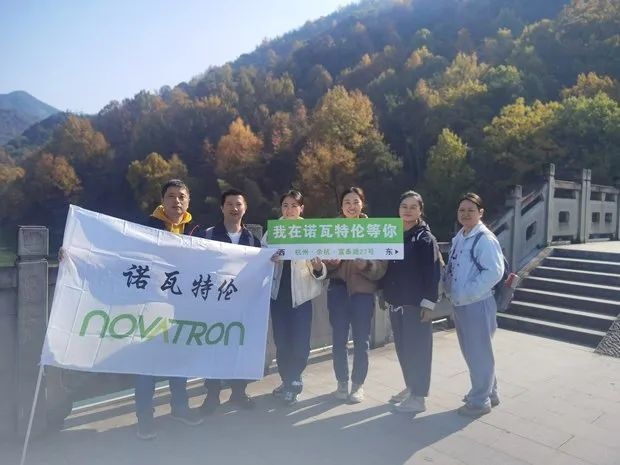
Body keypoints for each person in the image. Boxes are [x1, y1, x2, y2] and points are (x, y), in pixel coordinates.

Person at [135, 179, 204, 439]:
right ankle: (144, 417)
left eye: (181, 196)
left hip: (183, 306)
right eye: (171, 196)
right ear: (162, 201)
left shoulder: (196, 230)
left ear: (188, 201)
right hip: (151, 305)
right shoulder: (146, 228)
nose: (177, 201)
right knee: (147, 362)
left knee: (179, 359)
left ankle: (180, 408)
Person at [201, 188, 261, 414]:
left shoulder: (252, 240)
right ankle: (212, 394)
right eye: (229, 204)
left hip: (242, 305)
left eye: (238, 204)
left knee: (240, 347)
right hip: (215, 304)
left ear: (245, 208)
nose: (234, 208)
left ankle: (239, 392)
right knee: (213, 349)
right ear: (222, 208)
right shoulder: (207, 236)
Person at [324, 187, 387, 403]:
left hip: (363, 292)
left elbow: (382, 267)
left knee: (362, 341)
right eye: (347, 202)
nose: (351, 206)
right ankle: (342, 382)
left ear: (362, 204)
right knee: (339, 340)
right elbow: (321, 266)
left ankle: (358, 385)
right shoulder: (331, 230)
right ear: (341, 207)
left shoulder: (374, 230)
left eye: (355, 202)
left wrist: (366, 265)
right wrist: (331, 264)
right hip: (338, 290)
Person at [444, 192, 504, 417]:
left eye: (471, 210)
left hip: (477, 303)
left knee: (478, 353)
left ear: (481, 213)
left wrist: (468, 292)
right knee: (476, 352)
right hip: (462, 303)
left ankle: (479, 401)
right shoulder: (461, 236)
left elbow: (494, 272)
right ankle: (490, 393)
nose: (466, 214)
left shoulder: (484, 238)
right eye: (462, 210)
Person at [381, 191, 440, 414]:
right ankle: (411, 387)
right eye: (404, 206)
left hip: (415, 305)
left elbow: (432, 273)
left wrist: (428, 304)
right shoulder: (393, 234)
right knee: (403, 349)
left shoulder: (425, 239)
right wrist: (383, 293)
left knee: (418, 350)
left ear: (420, 211)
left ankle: (419, 397)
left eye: (413, 207)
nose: (408, 210)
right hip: (396, 302)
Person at [267, 190, 327, 405]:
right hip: (278, 297)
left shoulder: (310, 232)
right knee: (282, 342)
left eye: (294, 205)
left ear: (301, 209)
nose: (289, 210)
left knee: (300, 342)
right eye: (285, 205)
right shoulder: (273, 231)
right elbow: (260, 261)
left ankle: (294, 380)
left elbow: (320, 271)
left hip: (301, 298)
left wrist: (318, 266)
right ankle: (287, 381)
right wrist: (269, 260)